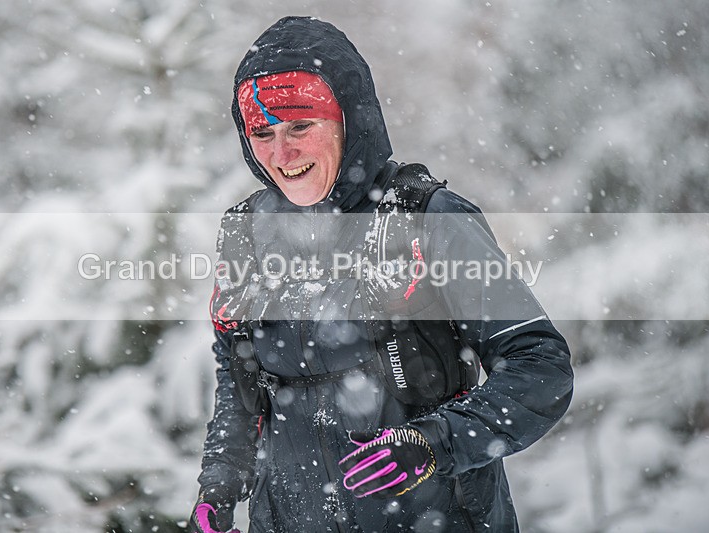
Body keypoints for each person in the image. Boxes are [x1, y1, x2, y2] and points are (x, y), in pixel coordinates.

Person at [190, 16, 573, 533]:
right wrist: (218, 487)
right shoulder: (244, 235)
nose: (282, 154)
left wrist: (440, 441)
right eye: (263, 133)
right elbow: (239, 383)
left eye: (301, 126)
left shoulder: (427, 219)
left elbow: (540, 369)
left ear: (351, 120)